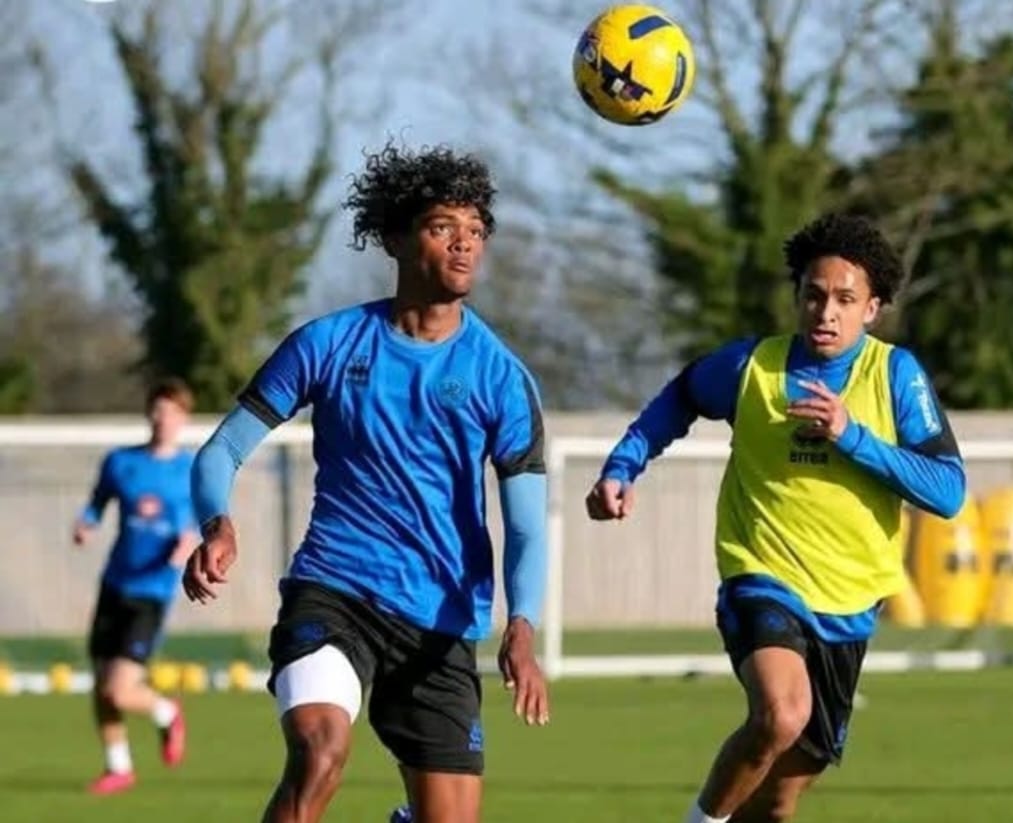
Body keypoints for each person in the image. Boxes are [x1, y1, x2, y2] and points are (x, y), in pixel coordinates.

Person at [186, 143, 550, 823]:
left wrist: (522, 624)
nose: (465, 245)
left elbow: (527, 523)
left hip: (439, 622)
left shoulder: (502, 376)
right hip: (336, 592)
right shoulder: (328, 343)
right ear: (395, 237)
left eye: (476, 231)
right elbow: (220, 451)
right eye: (444, 227)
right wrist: (217, 523)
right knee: (320, 754)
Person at [586, 212, 966, 823]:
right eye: (814, 296)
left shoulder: (895, 375)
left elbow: (947, 491)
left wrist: (851, 436)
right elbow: (681, 396)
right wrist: (622, 466)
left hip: (850, 603)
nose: (826, 312)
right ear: (797, 296)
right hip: (760, 576)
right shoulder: (752, 368)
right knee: (780, 714)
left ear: (873, 309)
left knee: (779, 802)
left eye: (845, 299)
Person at [72, 377, 197, 794]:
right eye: (158, 410)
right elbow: (97, 501)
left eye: (172, 413)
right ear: (149, 413)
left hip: (153, 592)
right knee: (101, 687)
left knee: (120, 690)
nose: (163, 419)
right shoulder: (121, 462)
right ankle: (118, 766)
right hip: (115, 584)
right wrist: (86, 524)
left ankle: (166, 710)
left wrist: (189, 540)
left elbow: (204, 520)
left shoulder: (191, 470)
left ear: (184, 419)